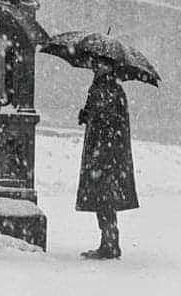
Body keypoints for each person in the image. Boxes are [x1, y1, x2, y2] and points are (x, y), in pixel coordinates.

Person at [76, 57, 139, 260]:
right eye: (94, 64)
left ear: (109, 67)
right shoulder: (104, 88)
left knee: (104, 198)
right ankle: (108, 242)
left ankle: (110, 244)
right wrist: (86, 115)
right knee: (103, 198)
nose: (94, 67)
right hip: (106, 153)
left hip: (105, 154)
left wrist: (93, 115)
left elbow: (107, 121)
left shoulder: (109, 90)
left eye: (99, 64)